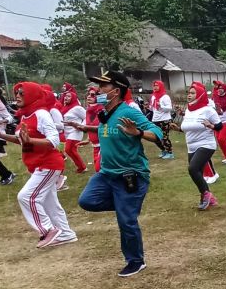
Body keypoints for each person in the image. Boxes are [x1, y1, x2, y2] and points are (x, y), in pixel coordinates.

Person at [77, 70, 164, 277]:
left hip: (130, 175)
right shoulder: (105, 114)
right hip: (106, 174)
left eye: (103, 87)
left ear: (116, 91)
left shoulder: (129, 112)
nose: (98, 90)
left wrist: (139, 133)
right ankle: (125, 204)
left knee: (126, 221)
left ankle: (135, 261)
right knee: (87, 200)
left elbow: (158, 133)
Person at [0, 82, 77, 248]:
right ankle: (66, 234)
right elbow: (23, 142)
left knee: (26, 196)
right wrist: (1, 135)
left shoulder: (41, 114)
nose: (17, 96)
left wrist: (31, 140)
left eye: (22, 93)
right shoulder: (25, 115)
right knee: (49, 203)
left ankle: (47, 230)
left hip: (48, 164)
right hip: (37, 165)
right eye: (16, 93)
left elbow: (54, 140)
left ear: (32, 95)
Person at [175, 82, 221, 210]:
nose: (189, 95)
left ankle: (207, 195)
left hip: (206, 144)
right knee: (197, 173)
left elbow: (219, 125)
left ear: (200, 95)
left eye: (192, 93)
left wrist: (211, 126)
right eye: (189, 93)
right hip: (191, 146)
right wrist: (178, 129)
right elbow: (188, 128)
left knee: (192, 168)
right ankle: (206, 197)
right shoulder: (189, 110)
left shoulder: (208, 110)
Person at [59, 83, 88, 173]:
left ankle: (82, 167)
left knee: (68, 149)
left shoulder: (77, 108)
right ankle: (81, 167)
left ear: (73, 98)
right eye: (65, 96)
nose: (66, 98)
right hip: (67, 132)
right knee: (70, 150)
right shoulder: (64, 107)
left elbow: (87, 116)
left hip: (76, 131)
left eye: (69, 96)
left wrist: (81, 126)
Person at [148, 80, 175, 159]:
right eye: (154, 85)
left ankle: (170, 153)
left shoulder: (165, 97)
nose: (155, 87)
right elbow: (153, 109)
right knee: (155, 137)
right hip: (155, 119)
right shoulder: (153, 96)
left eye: (157, 85)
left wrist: (161, 106)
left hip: (165, 119)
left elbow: (169, 108)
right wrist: (150, 107)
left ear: (161, 86)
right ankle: (163, 150)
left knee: (164, 137)